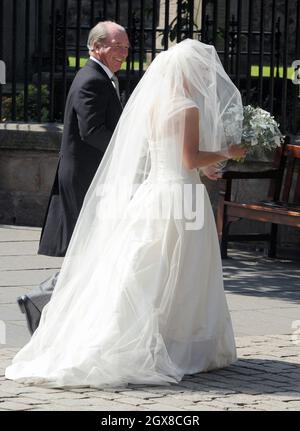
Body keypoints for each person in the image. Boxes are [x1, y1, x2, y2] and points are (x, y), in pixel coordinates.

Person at [6, 39, 246, 389]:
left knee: (144, 266)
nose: (205, 77)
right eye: (201, 71)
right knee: (182, 271)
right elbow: (190, 160)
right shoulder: (188, 107)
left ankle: (141, 334)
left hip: (156, 190)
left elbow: (168, 153)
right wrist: (229, 151)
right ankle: (181, 345)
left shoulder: (155, 104)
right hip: (181, 194)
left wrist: (203, 166)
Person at [17, 21, 129, 334]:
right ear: (96, 47)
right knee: (90, 248)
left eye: (126, 46)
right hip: (85, 178)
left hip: (92, 177)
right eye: (116, 45)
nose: (123, 52)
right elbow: (92, 132)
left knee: (92, 249)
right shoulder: (92, 79)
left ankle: (47, 303)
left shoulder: (101, 78)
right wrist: (130, 149)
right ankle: (42, 300)